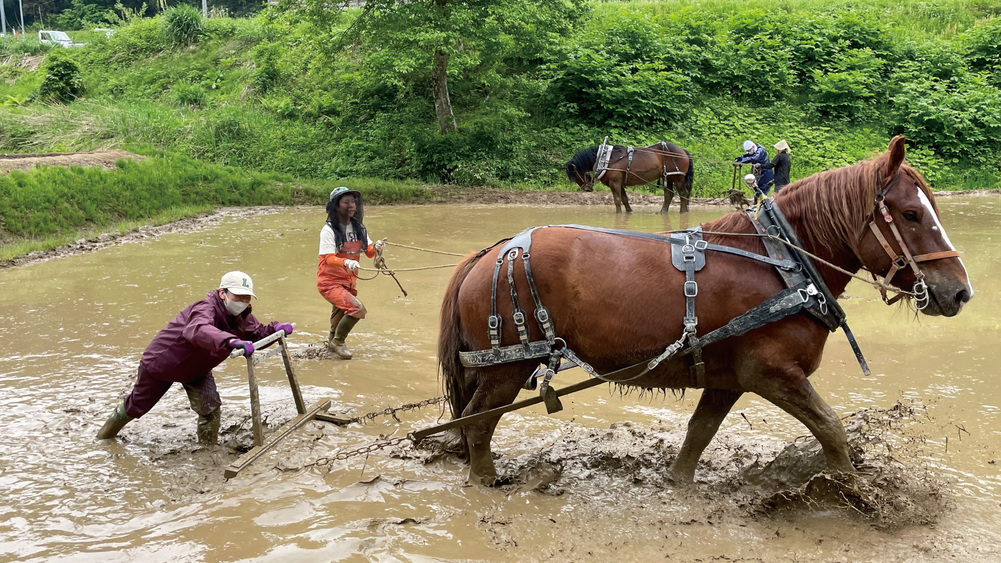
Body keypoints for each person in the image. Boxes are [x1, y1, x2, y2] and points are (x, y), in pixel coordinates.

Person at [96, 271, 294, 444]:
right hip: (162, 364)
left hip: (197, 370)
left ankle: (207, 452)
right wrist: (230, 341)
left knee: (211, 408)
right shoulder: (205, 308)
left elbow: (256, 333)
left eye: (246, 298)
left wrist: (275, 329)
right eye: (238, 296)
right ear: (222, 293)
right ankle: (104, 437)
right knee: (137, 406)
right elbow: (199, 330)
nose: (242, 302)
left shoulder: (241, 316)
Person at [317, 187, 384, 359]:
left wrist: (376, 248)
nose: (351, 205)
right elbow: (328, 258)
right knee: (357, 309)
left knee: (340, 311)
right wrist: (346, 261)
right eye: (346, 202)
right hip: (329, 281)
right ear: (336, 206)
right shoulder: (328, 230)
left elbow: (368, 252)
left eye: (353, 202)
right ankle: (338, 341)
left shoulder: (359, 227)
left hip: (349, 280)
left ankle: (331, 344)